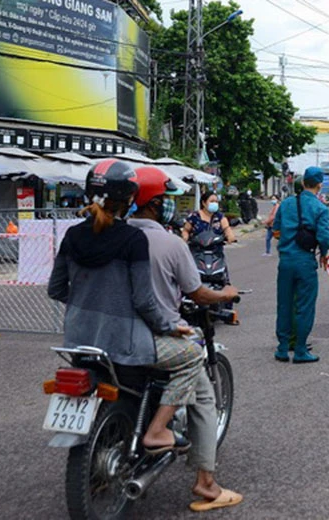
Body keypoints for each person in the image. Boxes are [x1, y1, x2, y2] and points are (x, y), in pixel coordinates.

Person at [47, 158, 194, 455]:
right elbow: (143, 301)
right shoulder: (133, 239)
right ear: (128, 199)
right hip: (124, 345)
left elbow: (56, 289)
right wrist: (170, 327)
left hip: (79, 342)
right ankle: (157, 431)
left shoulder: (72, 235)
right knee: (192, 357)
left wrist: (88, 301)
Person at [127, 166, 243, 512]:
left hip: (111, 337)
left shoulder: (114, 236)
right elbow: (196, 292)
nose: (170, 206)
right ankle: (206, 482)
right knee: (203, 394)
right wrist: (226, 296)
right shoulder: (171, 242)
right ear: (154, 203)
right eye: (165, 199)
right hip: (156, 334)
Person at [273, 166, 329, 363]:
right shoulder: (320, 208)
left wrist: (286, 242)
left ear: (303, 182)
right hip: (306, 262)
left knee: (284, 304)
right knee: (304, 306)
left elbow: (276, 230)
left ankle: (282, 348)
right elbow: (324, 238)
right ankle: (300, 350)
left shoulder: (286, 204)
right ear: (319, 185)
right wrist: (324, 253)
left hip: (286, 261)